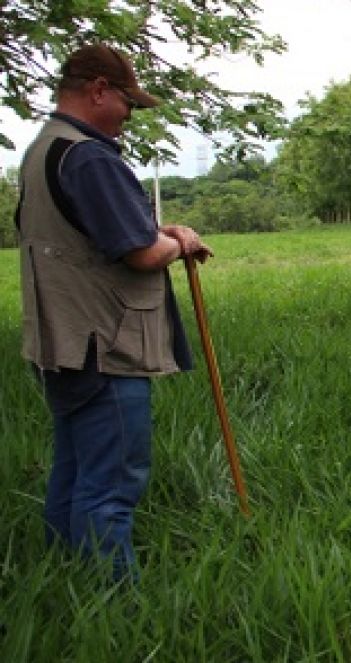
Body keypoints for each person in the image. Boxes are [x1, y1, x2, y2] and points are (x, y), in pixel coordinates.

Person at [16, 44, 211, 580]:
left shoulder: (43, 150)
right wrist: (182, 240)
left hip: (62, 341)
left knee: (75, 470)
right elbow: (141, 252)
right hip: (105, 344)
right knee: (111, 487)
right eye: (127, 101)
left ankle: (64, 580)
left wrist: (157, 235)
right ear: (99, 89)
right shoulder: (91, 156)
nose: (128, 114)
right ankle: (112, 603)